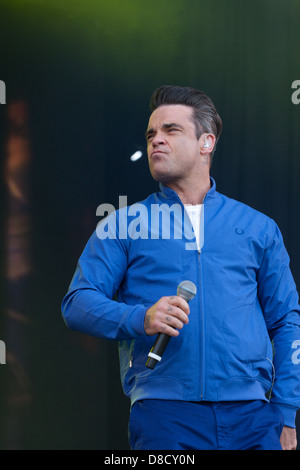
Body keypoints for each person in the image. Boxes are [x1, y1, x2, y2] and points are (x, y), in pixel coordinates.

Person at [61, 85, 300, 450]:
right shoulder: (123, 224)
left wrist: (284, 410)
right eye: (151, 134)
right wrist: (142, 318)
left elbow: (286, 320)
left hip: (253, 417)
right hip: (164, 414)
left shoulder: (258, 227)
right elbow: (76, 303)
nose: (156, 140)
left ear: (207, 143)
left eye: (171, 130)